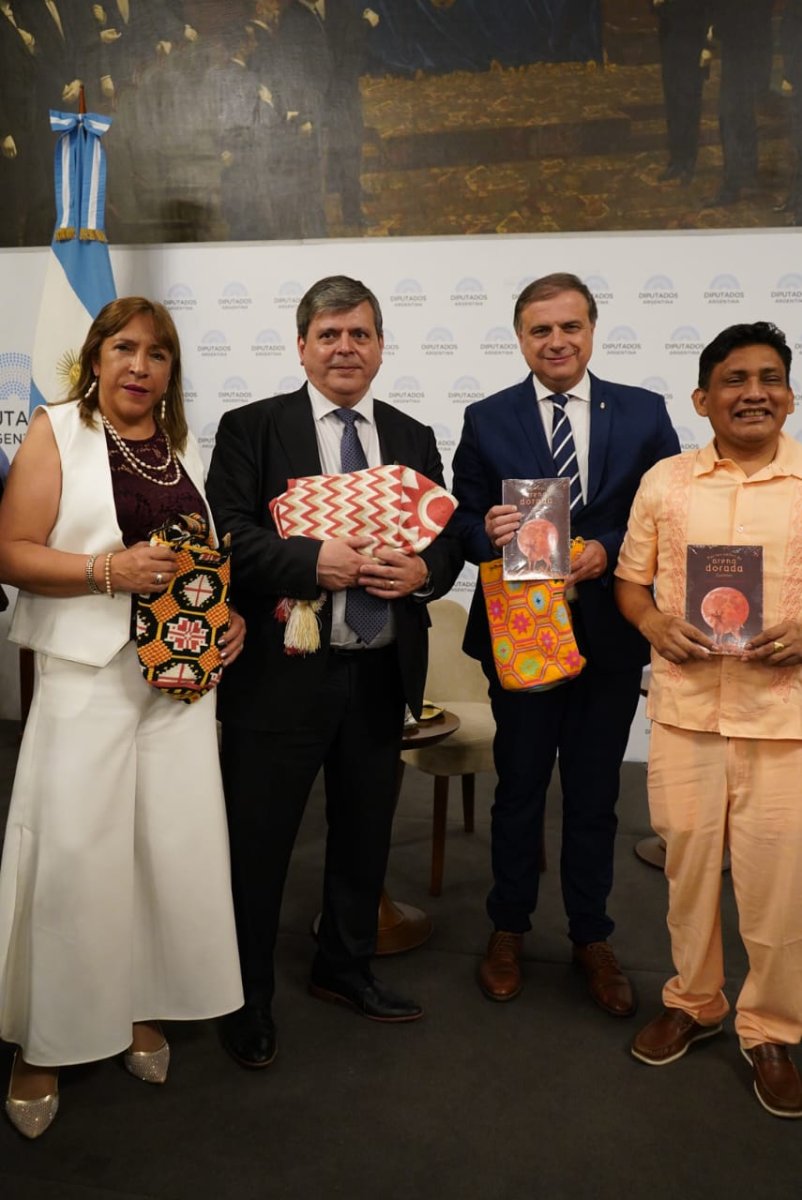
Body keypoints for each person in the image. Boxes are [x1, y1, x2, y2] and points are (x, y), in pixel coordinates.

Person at [0, 297, 245, 1138]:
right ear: (96, 357)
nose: (141, 366)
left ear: (171, 372)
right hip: (88, 676)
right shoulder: (58, 430)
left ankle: (138, 1004)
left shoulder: (180, 446)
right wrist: (106, 572)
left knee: (162, 853)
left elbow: (199, 560)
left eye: (158, 353)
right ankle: (44, 1041)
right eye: (125, 348)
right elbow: (11, 551)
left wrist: (227, 616)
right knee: (75, 859)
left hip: (179, 684)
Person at [205, 274, 463, 1069]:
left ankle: (344, 968)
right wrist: (314, 561)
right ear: (302, 347)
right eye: (329, 334)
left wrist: (425, 573)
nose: (344, 348)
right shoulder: (252, 427)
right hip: (280, 677)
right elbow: (230, 536)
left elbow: (447, 539)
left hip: (380, 673)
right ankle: (246, 998)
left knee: (363, 835)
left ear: (381, 347)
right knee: (258, 844)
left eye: (359, 334)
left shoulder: (413, 434)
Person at [451, 272, 679, 1015]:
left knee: (594, 795)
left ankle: (592, 936)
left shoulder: (643, 413)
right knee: (518, 790)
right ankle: (508, 929)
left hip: (608, 635)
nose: (556, 341)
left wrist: (608, 548)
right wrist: (483, 529)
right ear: (520, 338)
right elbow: (460, 521)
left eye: (570, 327)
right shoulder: (487, 418)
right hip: (521, 638)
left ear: (591, 330)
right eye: (540, 330)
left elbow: (665, 515)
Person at [615, 321, 802, 1120]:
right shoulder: (666, 482)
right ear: (702, 399)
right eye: (734, 379)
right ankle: (694, 1002)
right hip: (687, 714)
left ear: (789, 394)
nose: (753, 392)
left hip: (784, 720)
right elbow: (631, 583)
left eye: (769, 378)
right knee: (688, 872)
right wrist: (655, 622)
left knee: (777, 888)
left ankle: (772, 1029)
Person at [651, 0, 710, 185]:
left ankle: (689, 161)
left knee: (689, 101)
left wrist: (708, 46)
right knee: (673, 101)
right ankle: (676, 160)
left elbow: (708, 8)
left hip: (693, 40)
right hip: (670, 39)